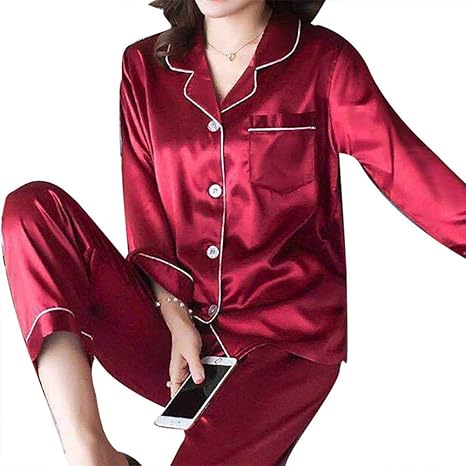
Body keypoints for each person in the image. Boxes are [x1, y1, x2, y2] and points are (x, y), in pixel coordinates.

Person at [1, 0, 465, 465]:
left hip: (285, 344)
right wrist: (173, 311)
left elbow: (411, 175)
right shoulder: (144, 66)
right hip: (177, 336)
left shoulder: (324, 63)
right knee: (32, 212)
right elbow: (144, 214)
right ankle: (92, 454)